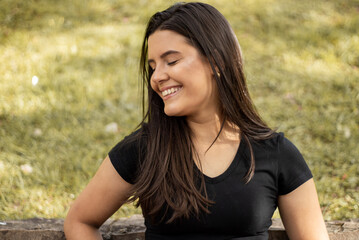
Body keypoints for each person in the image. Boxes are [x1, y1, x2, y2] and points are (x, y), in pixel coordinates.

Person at [64, 2, 329, 239]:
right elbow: (80, 221)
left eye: (172, 61)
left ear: (216, 61)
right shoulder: (144, 148)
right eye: (153, 66)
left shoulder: (277, 155)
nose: (157, 77)